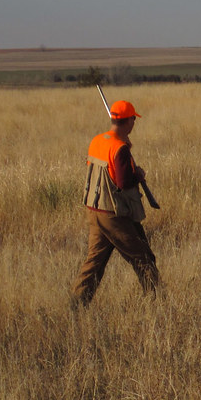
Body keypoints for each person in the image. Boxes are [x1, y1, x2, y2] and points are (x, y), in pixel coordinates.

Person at [71, 99, 159, 306]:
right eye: (133, 119)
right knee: (143, 258)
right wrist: (138, 174)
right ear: (127, 120)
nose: (134, 123)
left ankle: (76, 304)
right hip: (113, 214)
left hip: (94, 209)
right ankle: (155, 303)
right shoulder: (119, 148)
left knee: (95, 262)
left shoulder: (98, 140)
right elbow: (123, 182)